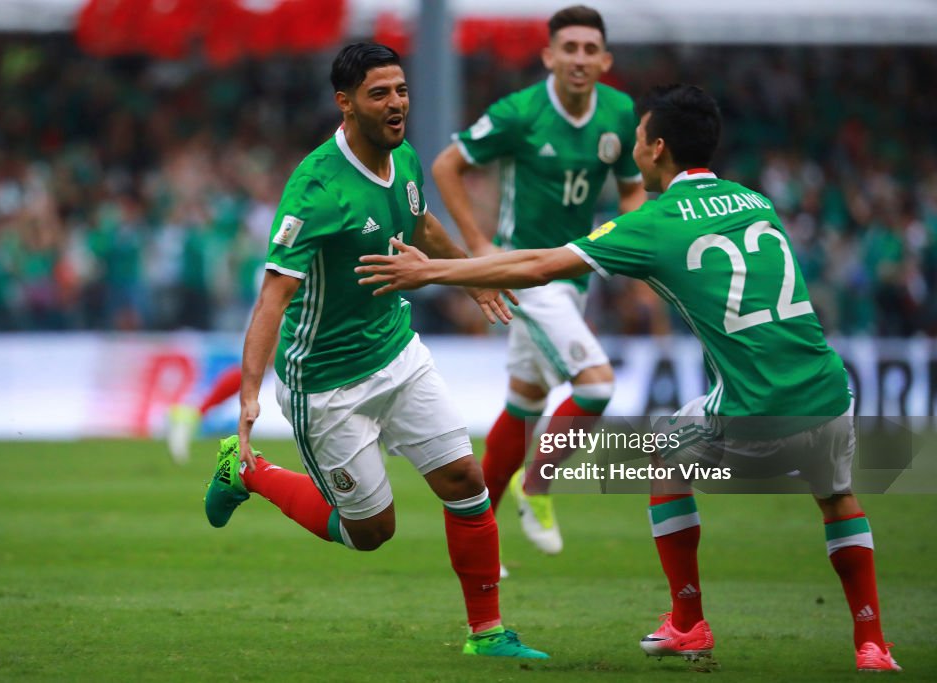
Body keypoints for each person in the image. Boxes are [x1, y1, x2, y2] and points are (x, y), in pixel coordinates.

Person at [356, 83, 900, 672]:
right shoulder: (755, 200)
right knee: (838, 499)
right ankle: (872, 644)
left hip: (756, 404)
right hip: (828, 388)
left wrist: (435, 270)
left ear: (656, 148)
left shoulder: (656, 222)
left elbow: (539, 265)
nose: (632, 148)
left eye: (639, 137)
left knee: (665, 457)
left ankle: (689, 623)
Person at [202, 42, 548, 659]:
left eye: (403, 90)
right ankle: (247, 470)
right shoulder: (315, 190)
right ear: (345, 103)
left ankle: (489, 633)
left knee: (465, 479)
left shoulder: (405, 157)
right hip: (327, 384)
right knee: (370, 533)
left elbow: (420, 226)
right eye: (380, 93)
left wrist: (472, 275)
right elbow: (272, 299)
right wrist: (250, 395)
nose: (397, 105)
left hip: (398, 353)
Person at [431, 5, 646, 558]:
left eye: (588, 49)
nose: (578, 58)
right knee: (596, 385)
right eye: (567, 48)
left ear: (605, 60)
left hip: (574, 273)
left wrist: (631, 248)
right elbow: (445, 166)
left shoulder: (620, 112)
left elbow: (630, 192)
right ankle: (538, 486)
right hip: (524, 271)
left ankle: (480, 537)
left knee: (525, 401)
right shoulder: (520, 112)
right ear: (549, 56)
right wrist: (481, 249)